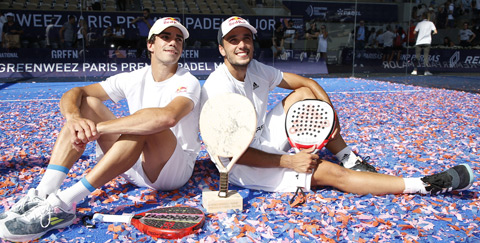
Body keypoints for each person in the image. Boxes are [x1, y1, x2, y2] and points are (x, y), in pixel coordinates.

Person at [200, 16, 474, 199]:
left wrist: (330, 116)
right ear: (222, 49)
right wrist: (289, 160)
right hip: (239, 164)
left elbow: (306, 82)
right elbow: (233, 152)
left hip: (261, 138)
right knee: (330, 174)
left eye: (245, 38)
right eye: (233, 40)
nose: (241, 44)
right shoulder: (217, 88)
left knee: (304, 93)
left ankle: (347, 155)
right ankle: (424, 185)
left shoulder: (256, 68)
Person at [0, 18, 201, 242]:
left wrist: (98, 129)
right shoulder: (134, 77)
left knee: (144, 124)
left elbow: (168, 117)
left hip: (171, 171)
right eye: (166, 37)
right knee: (87, 104)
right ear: (150, 45)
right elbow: (76, 92)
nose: (173, 42)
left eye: (179, 39)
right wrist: (74, 118)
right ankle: (44, 192)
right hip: (130, 163)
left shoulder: (188, 81)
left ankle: (64, 203)